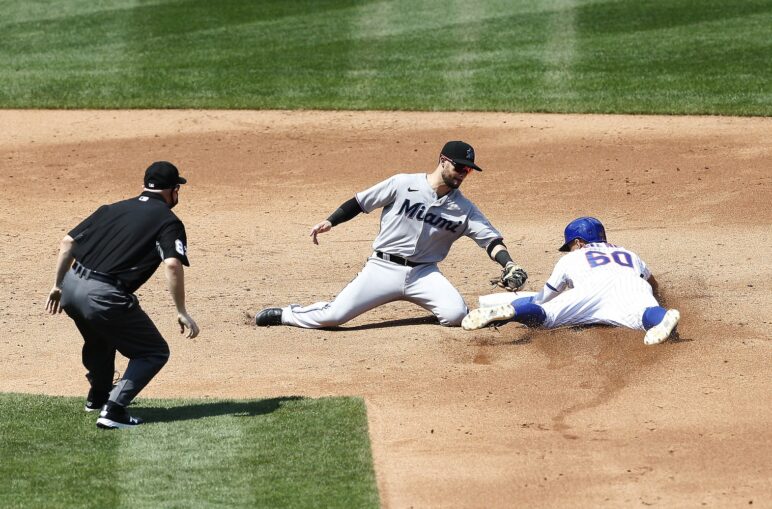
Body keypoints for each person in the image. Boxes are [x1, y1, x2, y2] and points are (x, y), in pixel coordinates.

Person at [254, 141, 528, 329]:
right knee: (334, 317)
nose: (463, 174)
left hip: (424, 274)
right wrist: (330, 221)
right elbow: (360, 202)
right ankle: (288, 314)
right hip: (382, 268)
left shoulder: (464, 209)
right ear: (443, 161)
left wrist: (509, 263)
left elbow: (490, 240)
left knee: (456, 315)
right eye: (459, 167)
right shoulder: (402, 183)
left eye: (468, 170)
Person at [46, 161, 200, 429]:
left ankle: (98, 396)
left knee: (101, 339)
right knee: (152, 352)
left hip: (71, 286)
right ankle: (114, 411)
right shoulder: (168, 221)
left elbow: (68, 242)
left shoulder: (112, 208)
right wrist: (181, 310)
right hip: (103, 296)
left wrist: (57, 285)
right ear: (174, 190)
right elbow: (173, 264)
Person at [462, 217, 680, 345]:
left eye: (570, 245)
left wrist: (520, 305)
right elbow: (653, 285)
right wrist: (653, 300)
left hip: (591, 290)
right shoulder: (628, 253)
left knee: (546, 315)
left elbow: (543, 298)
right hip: (631, 285)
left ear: (578, 242)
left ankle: (512, 312)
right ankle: (662, 318)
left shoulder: (574, 257)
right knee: (645, 314)